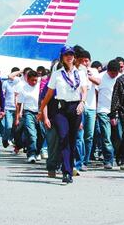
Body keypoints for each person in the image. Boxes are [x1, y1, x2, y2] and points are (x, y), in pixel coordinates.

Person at [38, 46, 87, 184]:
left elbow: (84, 89)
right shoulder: (57, 74)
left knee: (72, 140)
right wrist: (41, 110)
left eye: (71, 54)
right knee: (63, 137)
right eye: (66, 55)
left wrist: (82, 102)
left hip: (76, 107)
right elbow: (48, 95)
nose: (69, 57)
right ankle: (66, 172)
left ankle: (70, 169)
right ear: (62, 57)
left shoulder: (80, 73)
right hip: (61, 109)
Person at [96, 59, 121, 169]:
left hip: (117, 111)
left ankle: (117, 156)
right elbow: (95, 93)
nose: (114, 75)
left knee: (119, 136)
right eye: (112, 73)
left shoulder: (121, 78)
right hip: (103, 110)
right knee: (106, 136)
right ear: (108, 71)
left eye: (116, 73)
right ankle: (108, 160)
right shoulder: (100, 77)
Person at [16, 69, 42, 163]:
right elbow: (19, 103)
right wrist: (18, 115)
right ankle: (31, 154)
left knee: (41, 134)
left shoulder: (40, 86)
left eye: (35, 80)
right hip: (28, 113)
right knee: (31, 134)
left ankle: (38, 151)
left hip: (40, 112)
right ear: (27, 79)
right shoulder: (23, 88)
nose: (34, 82)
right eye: (32, 80)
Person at [1, 67, 20, 148]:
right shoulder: (6, 83)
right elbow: (2, 95)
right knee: (8, 126)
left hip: (18, 108)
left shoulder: (20, 82)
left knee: (16, 127)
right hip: (8, 108)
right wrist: (2, 107)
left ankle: (14, 141)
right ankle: (5, 139)